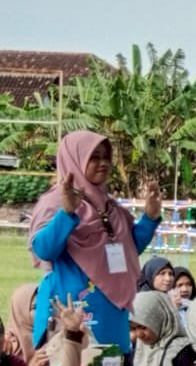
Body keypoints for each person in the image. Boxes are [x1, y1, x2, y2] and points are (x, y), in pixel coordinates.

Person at [27, 130, 163, 353]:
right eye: (94, 157)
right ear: (75, 159)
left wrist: (149, 218)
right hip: (74, 312)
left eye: (106, 157)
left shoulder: (107, 204)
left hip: (112, 310)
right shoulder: (55, 201)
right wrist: (67, 212)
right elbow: (44, 250)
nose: (103, 163)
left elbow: (127, 250)